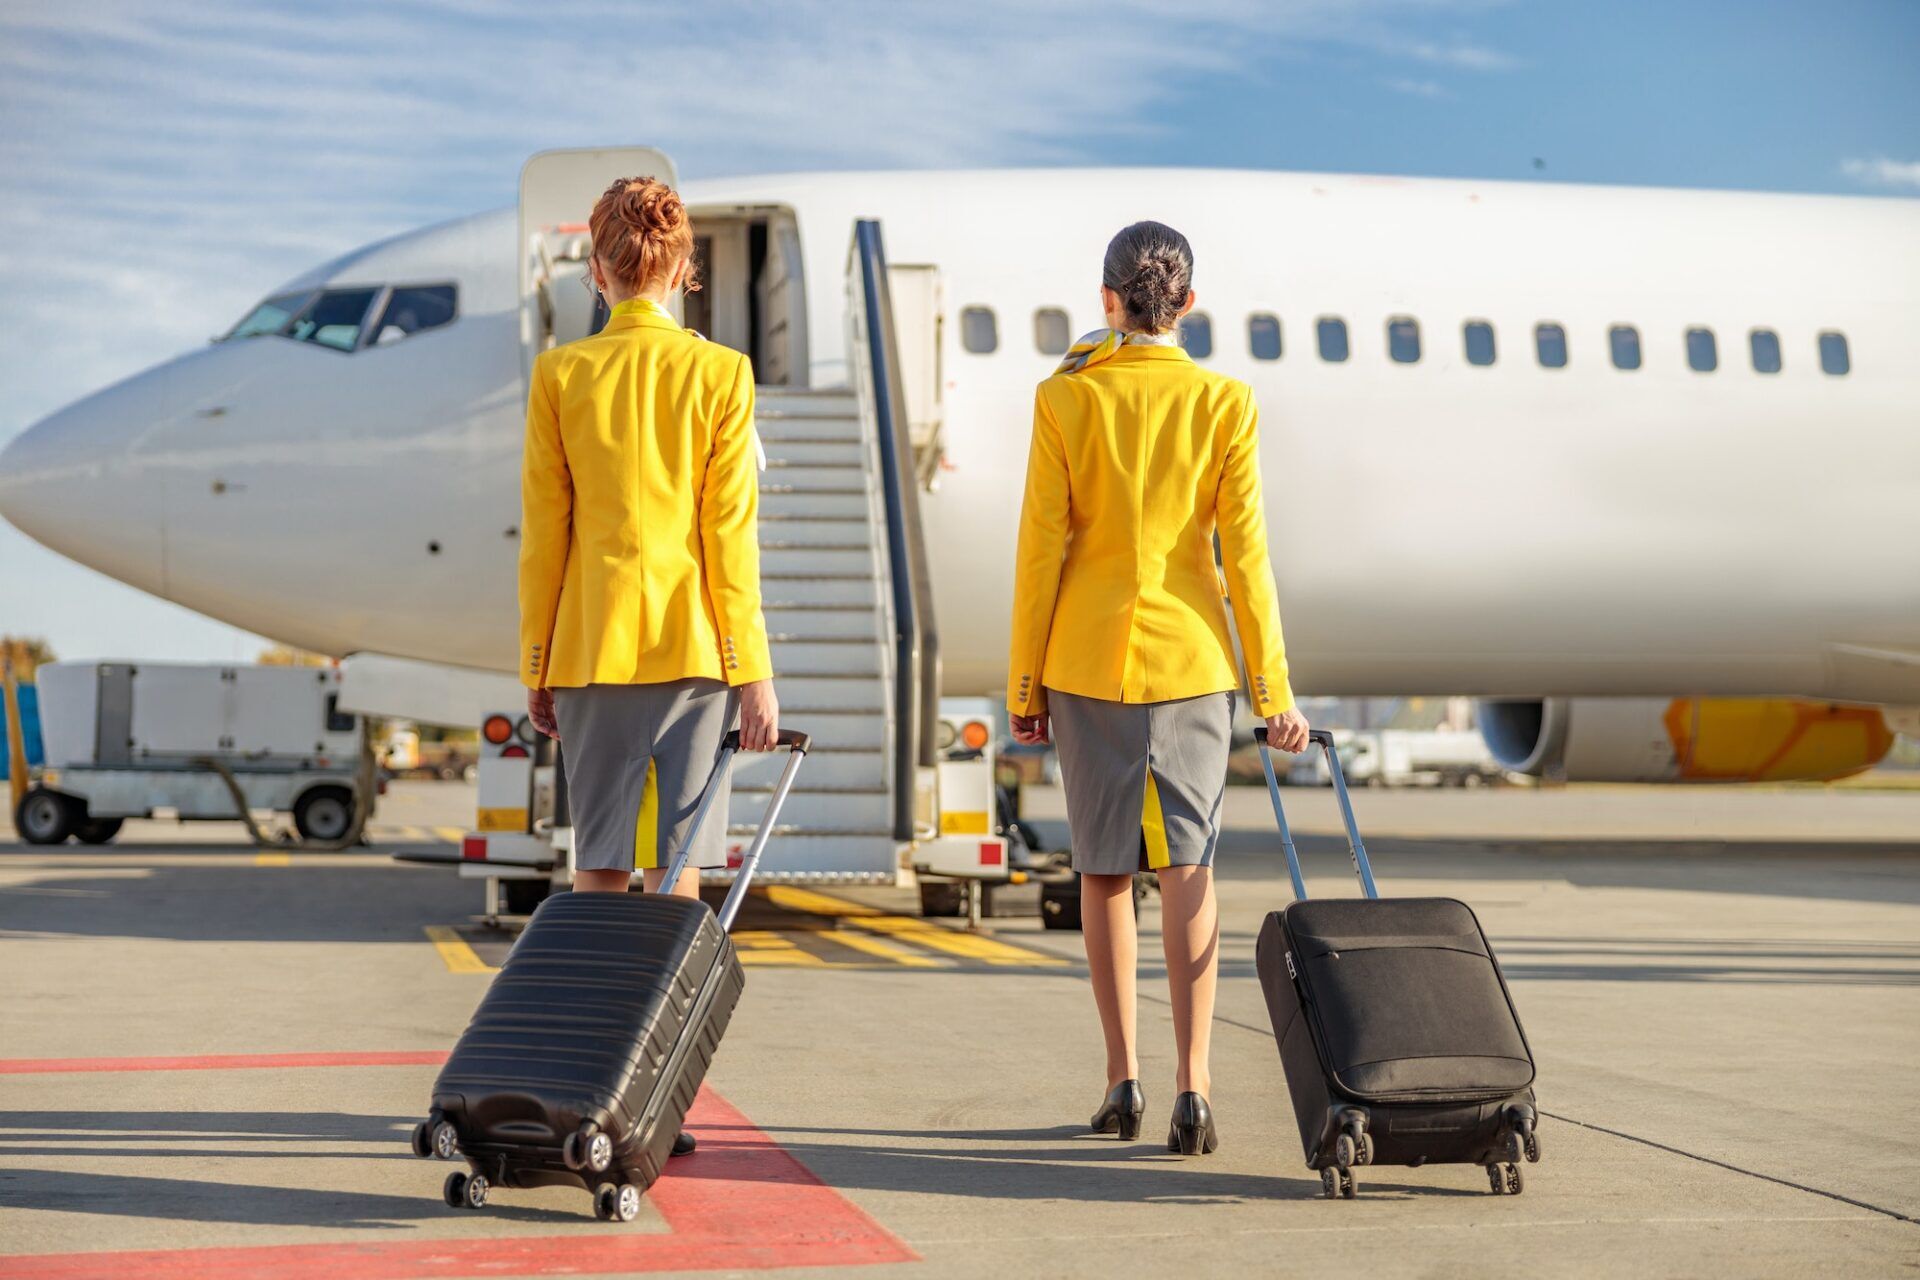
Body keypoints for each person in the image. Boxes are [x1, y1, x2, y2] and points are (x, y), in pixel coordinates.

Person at [1006, 221, 1308, 1156]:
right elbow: (1245, 559)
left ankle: (1121, 1079)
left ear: (1106, 302)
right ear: (1188, 303)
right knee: (1190, 867)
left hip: (1088, 659)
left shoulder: (1066, 400)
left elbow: (1040, 551)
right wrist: (1273, 694)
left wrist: (1025, 680)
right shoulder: (1225, 401)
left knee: (1102, 871)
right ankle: (1196, 1088)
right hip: (1192, 664)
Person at [518, 177, 780, 1149]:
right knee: (680, 883)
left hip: (591, 648)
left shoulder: (561, 377)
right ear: (686, 271)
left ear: (597, 267)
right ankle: (658, 1101)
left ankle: (595, 1084)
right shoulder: (720, 375)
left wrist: (538, 662)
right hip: (694, 654)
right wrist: (753, 672)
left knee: (597, 870)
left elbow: (546, 541)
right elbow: (730, 543)